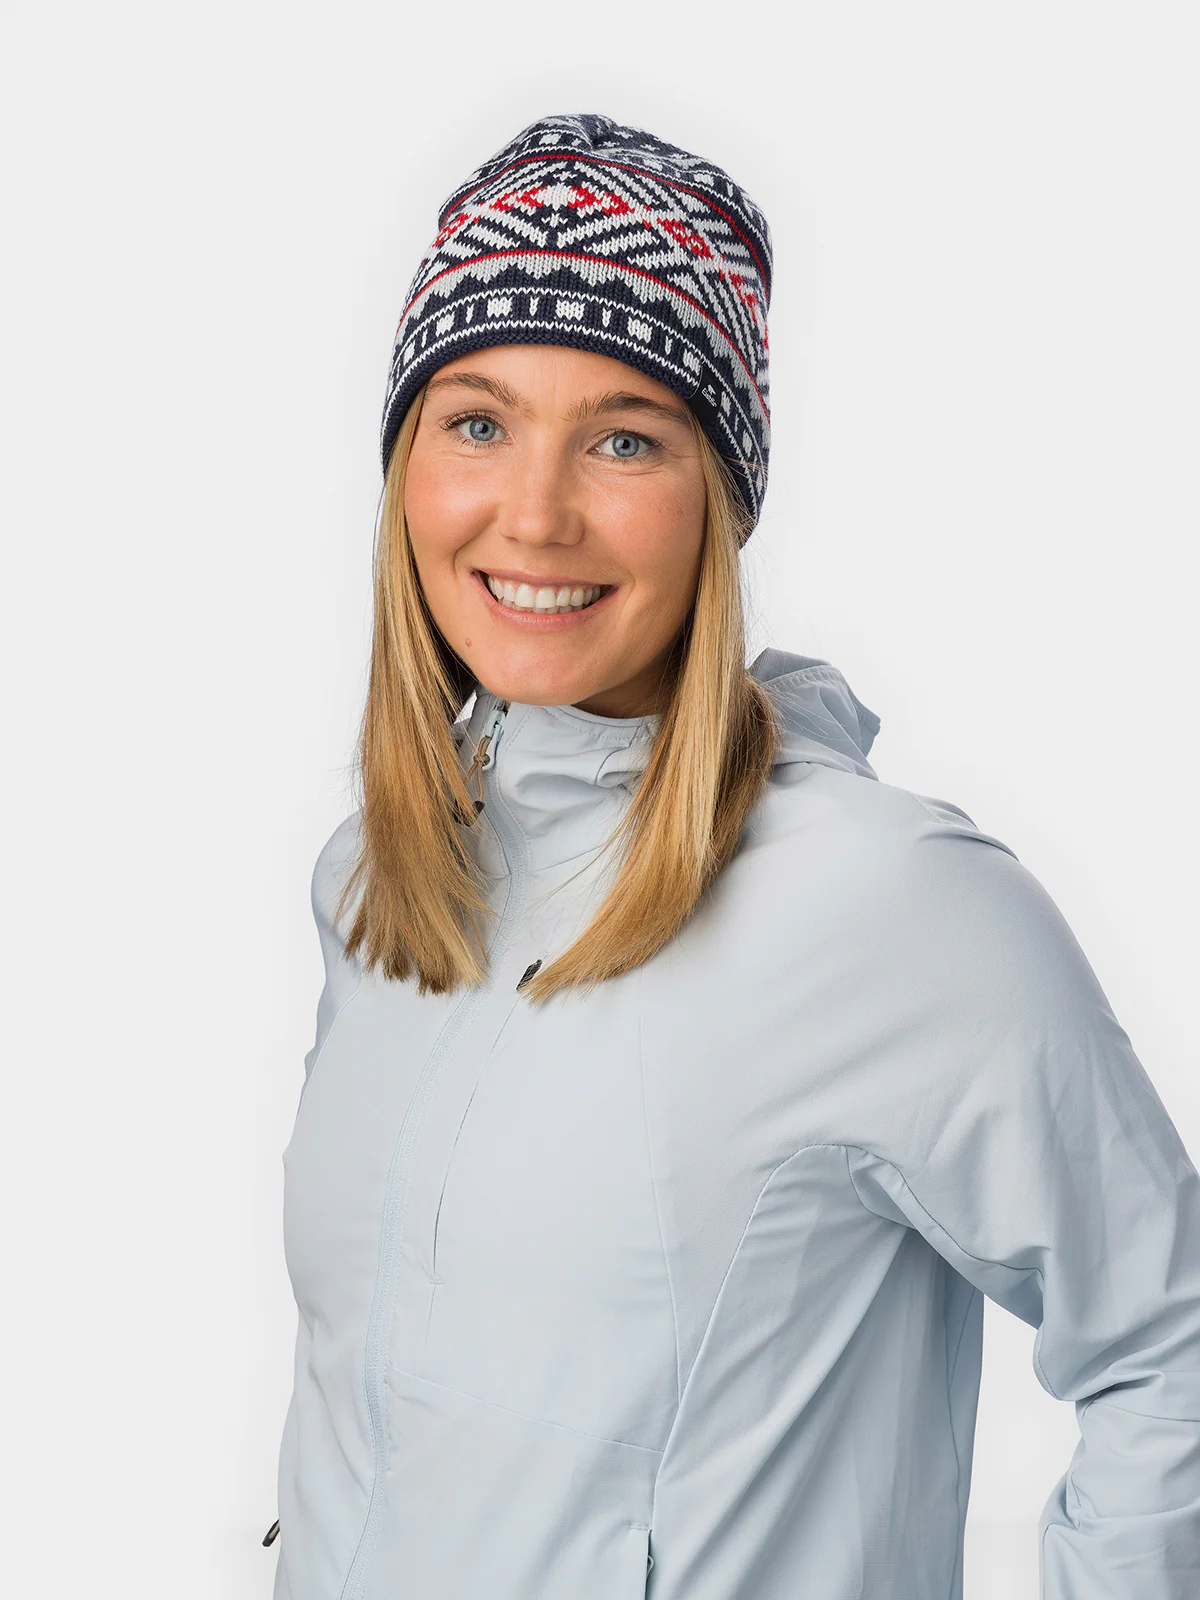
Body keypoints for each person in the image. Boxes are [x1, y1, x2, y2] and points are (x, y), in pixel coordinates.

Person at [266, 112, 1200, 1600]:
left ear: (721, 497)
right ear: (406, 469)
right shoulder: (380, 882)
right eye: (478, 422)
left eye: (625, 438)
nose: (534, 513)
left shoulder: (885, 906)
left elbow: (1171, 1348)